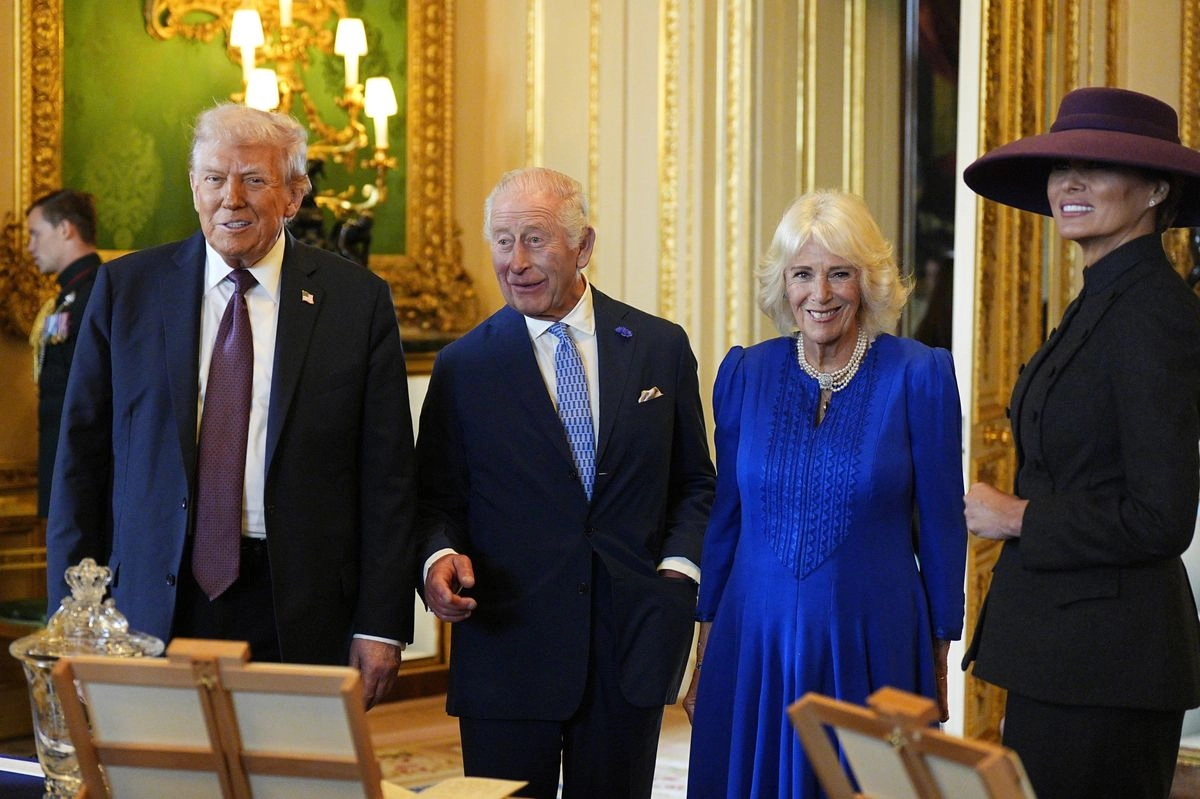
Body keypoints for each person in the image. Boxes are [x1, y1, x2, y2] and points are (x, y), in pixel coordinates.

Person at [46, 103, 416, 708]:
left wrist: (381, 623)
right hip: (149, 600)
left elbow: (387, 476)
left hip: (296, 603)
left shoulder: (357, 302)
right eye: (215, 178)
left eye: (254, 179)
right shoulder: (127, 290)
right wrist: (72, 611)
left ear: (295, 196)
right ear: (194, 187)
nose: (231, 198)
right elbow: (80, 460)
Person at [417, 166, 715, 799]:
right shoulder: (463, 366)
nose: (515, 261)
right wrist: (439, 557)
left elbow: (695, 483)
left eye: (535, 239)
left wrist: (678, 574)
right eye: (502, 241)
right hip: (507, 646)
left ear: (583, 246)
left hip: (628, 646)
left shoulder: (659, 347)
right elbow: (435, 500)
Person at [685, 189, 967, 798]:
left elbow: (944, 527)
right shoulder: (743, 374)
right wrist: (704, 647)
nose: (820, 294)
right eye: (803, 275)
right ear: (783, 285)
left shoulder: (921, 376)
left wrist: (939, 654)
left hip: (874, 640)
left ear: (868, 282)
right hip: (754, 640)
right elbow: (725, 521)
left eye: (840, 274)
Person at [961, 86, 1200, 799]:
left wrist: (1018, 516)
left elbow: (1162, 516)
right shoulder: (1103, 298)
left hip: (1111, 665)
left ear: (1157, 189)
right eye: (1062, 165)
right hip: (1067, 657)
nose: (1069, 182)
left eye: (1095, 166)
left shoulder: (1154, 311)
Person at [26, 189, 101, 519]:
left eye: (35, 234)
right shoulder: (69, 295)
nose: (30, 247)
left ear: (65, 229)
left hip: (87, 477)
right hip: (66, 469)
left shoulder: (98, 293)